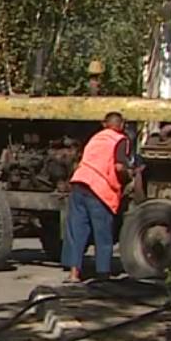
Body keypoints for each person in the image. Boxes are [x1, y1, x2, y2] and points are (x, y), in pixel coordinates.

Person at [62, 112, 136, 283]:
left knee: (77, 232)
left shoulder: (95, 138)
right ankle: (103, 275)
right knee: (102, 234)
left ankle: (74, 274)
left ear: (104, 124)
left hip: (79, 183)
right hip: (99, 190)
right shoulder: (120, 140)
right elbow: (118, 166)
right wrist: (129, 175)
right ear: (122, 125)